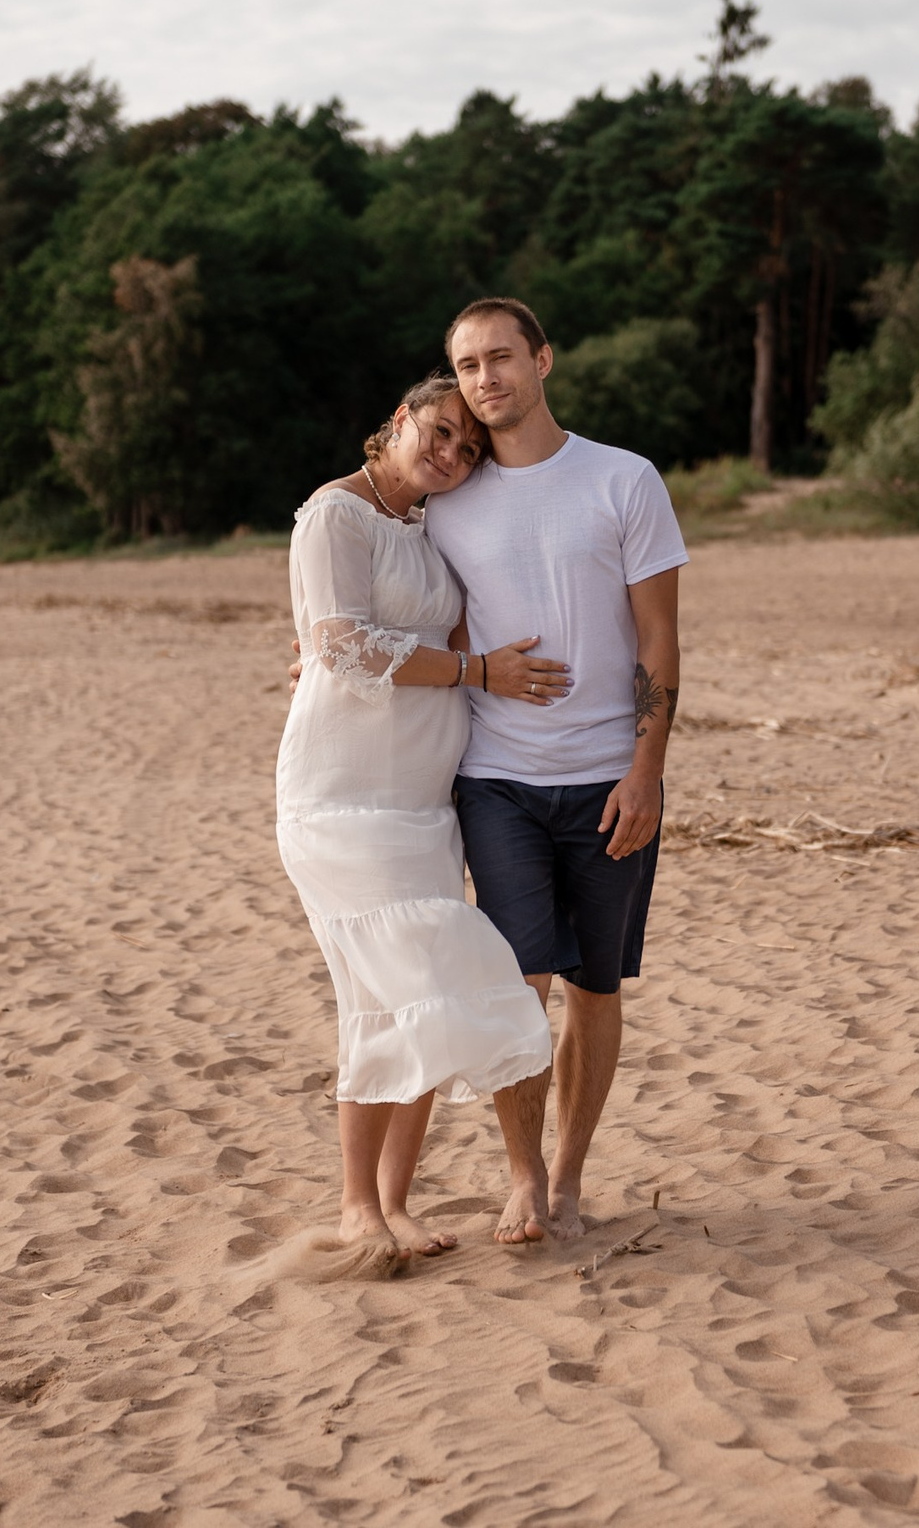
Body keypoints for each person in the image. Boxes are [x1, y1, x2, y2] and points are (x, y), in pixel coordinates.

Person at [274, 374, 571, 1265]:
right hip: (343, 798)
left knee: (396, 1006)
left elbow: (400, 631)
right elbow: (342, 645)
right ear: (399, 420)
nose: (450, 454)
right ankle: (358, 1204)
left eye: (466, 449)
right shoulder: (335, 512)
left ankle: (382, 1205)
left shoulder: (425, 526)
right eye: (440, 432)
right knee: (429, 977)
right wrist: (479, 672)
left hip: (421, 802)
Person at [427, 297, 686, 1244]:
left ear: (543, 359)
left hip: (608, 776)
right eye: (464, 366)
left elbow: (658, 635)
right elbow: (383, 570)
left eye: (500, 358)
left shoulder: (624, 480)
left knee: (598, 987)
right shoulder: (449, 495)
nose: (484, 379)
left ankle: (571, 1173)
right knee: (515, 983)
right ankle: (523, 1176)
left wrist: (646, 767)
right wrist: (317, 640)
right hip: (496, 776)